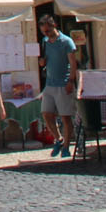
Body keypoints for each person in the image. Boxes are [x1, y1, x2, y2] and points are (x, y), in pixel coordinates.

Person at [39, 15, 79, 157]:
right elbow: (45, 59)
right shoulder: (45, 42)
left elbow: (73, 63)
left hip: (63, 83)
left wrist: (71, 81)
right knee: (46, 113)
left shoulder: (66, 42)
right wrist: (42, 62)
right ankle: (59, 139)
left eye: (48, 31)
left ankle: (66, 147)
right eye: (44, 32)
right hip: (49, 84)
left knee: (65, 117)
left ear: (54, 26)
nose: (47, 34)